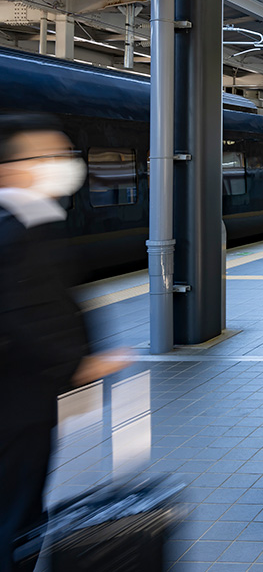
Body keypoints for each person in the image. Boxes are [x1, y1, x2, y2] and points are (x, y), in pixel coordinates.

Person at [0, 115, 127, 571]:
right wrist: (79, 364)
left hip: (26, 401)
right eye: (47, 156)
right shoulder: (16, 230)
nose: (64, 165)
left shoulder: (32, 221)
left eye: (64, 155)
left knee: (21, 508)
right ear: (10, 169)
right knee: (16, 514)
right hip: (17, 406)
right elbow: (22, 312)